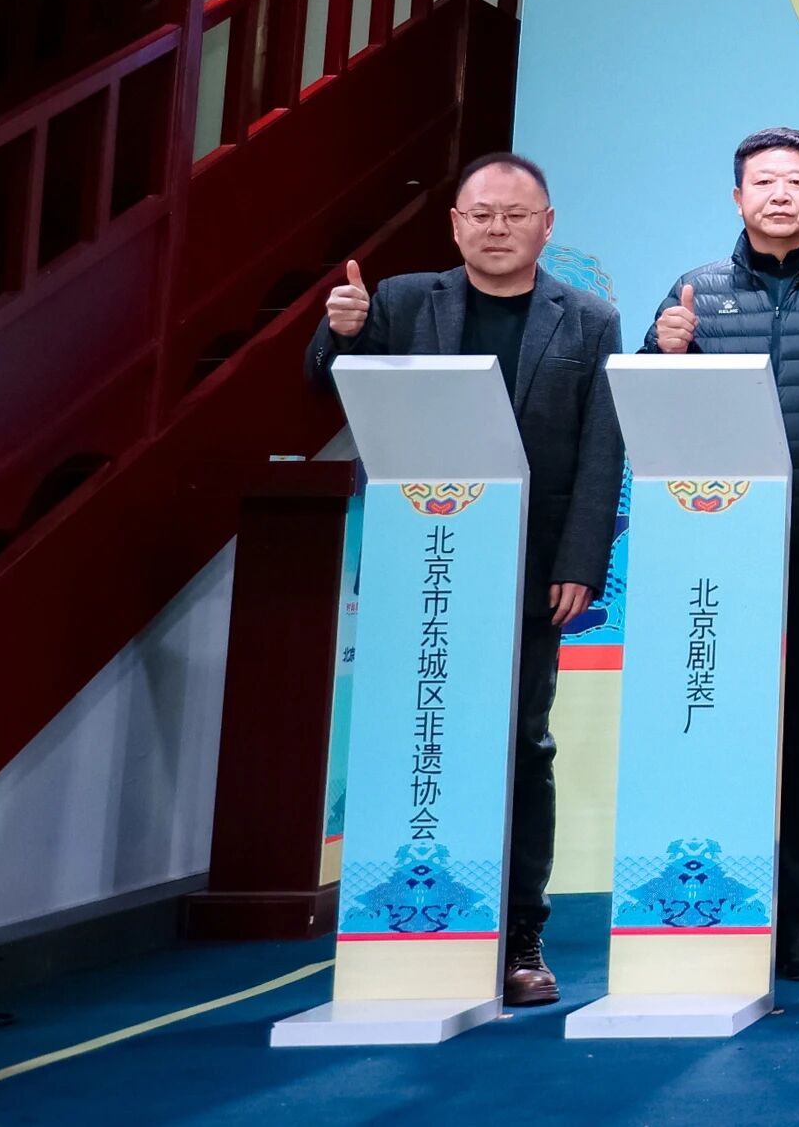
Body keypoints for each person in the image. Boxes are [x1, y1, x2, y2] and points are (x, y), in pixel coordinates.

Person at [309, 151, 623, 1010]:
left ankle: (520, 934)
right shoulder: (404, 301)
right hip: (420, 569)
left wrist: (580, 561)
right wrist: (342, 331)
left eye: (515, 214)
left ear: (547, 226)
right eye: (480, 213)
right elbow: (325, 385)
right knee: (412, 737)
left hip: (530, 572)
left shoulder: (589, 318)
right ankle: (405, 929)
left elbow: (602, 449)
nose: (496, 228)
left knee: (521, 745)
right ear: (454, 224)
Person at [640, 126, 799, 984]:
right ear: (737, 196)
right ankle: (715, 910)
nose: (779, 194)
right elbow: (647, 411)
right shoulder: (694, 291)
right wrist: (662, 352)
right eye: (763, 181)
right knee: (717, 723)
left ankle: (798, 920)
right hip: (717, 551)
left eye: (795, 181)